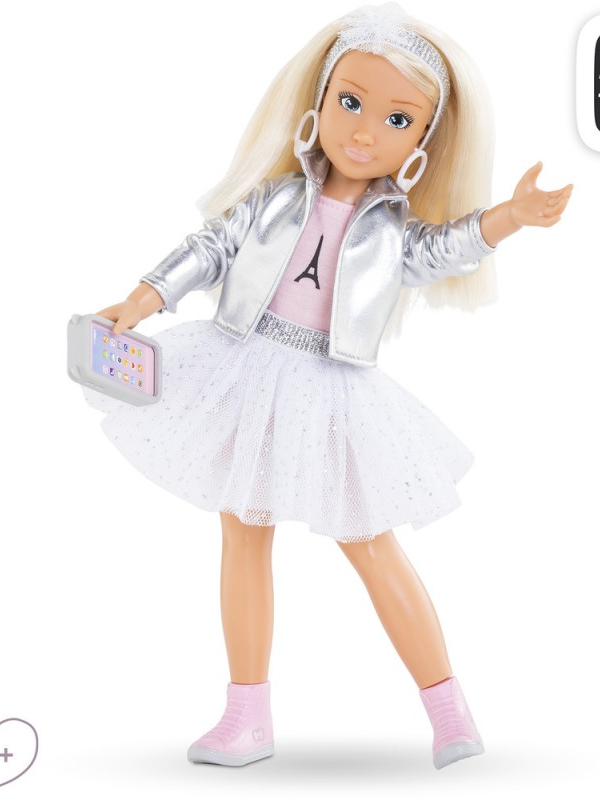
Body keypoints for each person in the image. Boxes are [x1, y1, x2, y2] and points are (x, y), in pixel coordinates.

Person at [87, 2, 572, 770]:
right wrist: (144, 298)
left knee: (370, 541)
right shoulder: (277, 197)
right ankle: (246, 716)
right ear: (318, 100)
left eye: (397, 119)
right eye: (350, 102)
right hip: (242, 366)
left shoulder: (393, 230)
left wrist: (509, 216)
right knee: (243, 533)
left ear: (423, 142)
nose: (365, 132)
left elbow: (445, 248)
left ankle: (449, 710)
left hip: (332, 387)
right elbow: (210, 246)